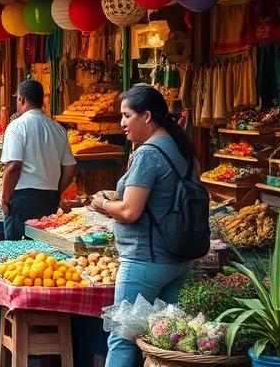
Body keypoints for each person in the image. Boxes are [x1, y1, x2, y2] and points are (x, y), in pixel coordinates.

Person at [90, 84, 203, 367]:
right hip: (179, 260)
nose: (122, 124)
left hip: (144, 260)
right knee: (164, 342)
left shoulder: (148, 154)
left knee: (122, 338)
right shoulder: (186, 152)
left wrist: (103, 204)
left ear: (147, 116)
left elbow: (129, 210)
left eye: (127, 115)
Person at [0, 79, 76, 240]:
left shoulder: (17, 126)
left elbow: (13, 166)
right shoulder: (58, 128)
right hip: (49, 199)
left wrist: (5, 199)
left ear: (21, 99)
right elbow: (70, 167)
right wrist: (57, 191)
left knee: (17, 257)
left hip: (23, 199)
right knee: (45, 253)